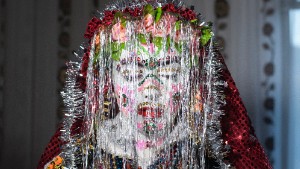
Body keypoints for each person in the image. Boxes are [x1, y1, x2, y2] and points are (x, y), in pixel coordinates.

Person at [37, 1, 272, 168]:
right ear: (109, 83)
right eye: (131, 71)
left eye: (169, 71)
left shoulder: (215, 161)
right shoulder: (73, 162)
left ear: (193, 85)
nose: (150, 88)